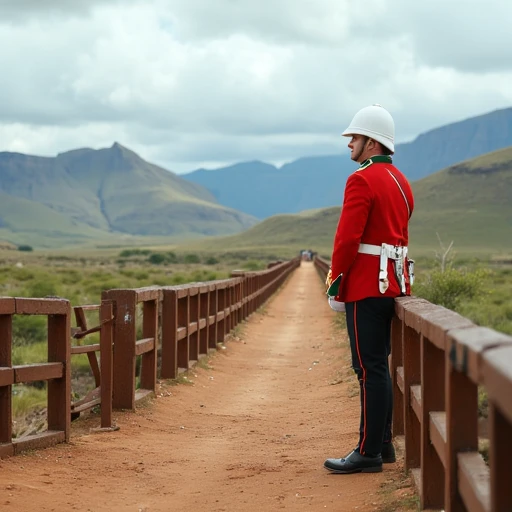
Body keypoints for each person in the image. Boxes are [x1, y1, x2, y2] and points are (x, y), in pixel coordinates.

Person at [324, 104, 414, 474]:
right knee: (379, 367)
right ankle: (383, 444)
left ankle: (368, 452)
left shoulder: (361, 180)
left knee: (367, 368)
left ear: (372, 143)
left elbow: (347, 238)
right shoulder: (402, 181)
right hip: (393, 283)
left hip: (364, 285)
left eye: (355, 138)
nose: (350, 145)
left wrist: (336, 283)